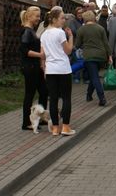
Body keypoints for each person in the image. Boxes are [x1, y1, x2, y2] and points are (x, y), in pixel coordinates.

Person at [40, 8, 76, 136]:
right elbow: (68, 51)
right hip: (63, 68)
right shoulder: (60, 32)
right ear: (54, 19)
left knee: (53, 99)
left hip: (50, 70)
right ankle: (65, 127)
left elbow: (43, 54)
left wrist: (44, 68)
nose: (64, 20)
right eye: (62, 18)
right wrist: (70, 37)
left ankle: (55, 128)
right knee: (66, 98)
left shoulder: (44, 34)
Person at [19, 6, 48, 131]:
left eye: (39, 15)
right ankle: (26, 123)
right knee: (29, 95)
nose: (39, 18)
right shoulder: (26, 31)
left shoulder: (31, 31)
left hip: (35, 66)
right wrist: (40, 55)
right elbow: (24, 51)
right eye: (37, 16)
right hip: (29, 67)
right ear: (29, 17)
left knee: (44, 92)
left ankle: (41, 118)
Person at [75, 10, 112, 106]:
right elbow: (106, 43)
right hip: (101, 56)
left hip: (89, 56)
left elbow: (77, 44)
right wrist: (110, 55)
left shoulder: (81, 30)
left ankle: (102, 98)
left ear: (84, 19)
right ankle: (89, 95)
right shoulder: (100, 28)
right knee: (94, 76)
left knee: (94, 77)